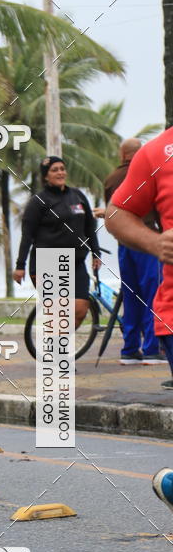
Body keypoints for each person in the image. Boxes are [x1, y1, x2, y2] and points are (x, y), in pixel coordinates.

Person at [106, 127, 173, 388]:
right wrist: (155, 243)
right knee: (137, 297)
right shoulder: (157, 152)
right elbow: (117, 213)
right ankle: (135, 349)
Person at [13, 156, 101, 327]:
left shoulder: (78, 196)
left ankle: (60, 345)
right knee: (58, 313)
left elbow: (89, 227)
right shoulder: (38, 201)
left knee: (81, 309)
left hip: (76, 262)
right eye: (55, 170)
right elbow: (27, 235)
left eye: (62, 168)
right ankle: (55, 351)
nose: (60, 172)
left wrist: (95, 253)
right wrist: (20, 266)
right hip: (47, 262)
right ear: (46, 176)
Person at [99, 139, 164, 365]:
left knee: (131, 296)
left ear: (121, 154)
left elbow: (113, 210)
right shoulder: (147, 170)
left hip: (123, 244)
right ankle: (151, 349)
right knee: (152, 294)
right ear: (139, 153)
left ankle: (129, 350)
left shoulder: (111, 178)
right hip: (146, 241)